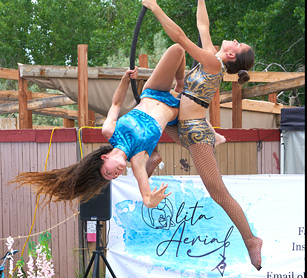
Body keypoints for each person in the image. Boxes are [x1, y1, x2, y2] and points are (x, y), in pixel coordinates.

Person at [142, 0, 263, 271]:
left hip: (194, 133)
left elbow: (182, 39)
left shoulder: (212, 64)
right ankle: (153, 153)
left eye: (236, 43)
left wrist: (155, 7)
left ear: (232, 55)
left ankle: (251, 240)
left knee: (217, 191)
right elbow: (202, 27)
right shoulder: (213, 56)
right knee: (149, 109)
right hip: (179, 123)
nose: (232, 39)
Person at [9, 44, 186, 208]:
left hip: (153, 91)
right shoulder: (137, 160)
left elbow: (116, 104)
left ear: (104, 158)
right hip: (177, 109)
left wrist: (125, 79)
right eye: (115, 176)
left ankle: (180, 84)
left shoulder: (110, 131)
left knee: (177, 49)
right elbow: (146, 197)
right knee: (210, 133)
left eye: (109, 173)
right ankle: (181, 90)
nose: (116, 174)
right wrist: (150, 202)